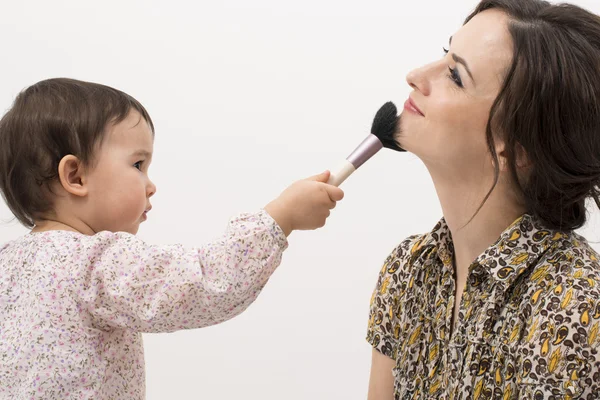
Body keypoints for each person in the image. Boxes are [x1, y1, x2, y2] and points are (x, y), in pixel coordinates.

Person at [0, 78, 344, 399]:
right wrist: (280, 218)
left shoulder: (7, 265)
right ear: (75, 176)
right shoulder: (97, 262)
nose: (150, 185)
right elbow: (205, 284)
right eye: (138, 165)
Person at [366, 1, 600, 398]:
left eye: (455, 76)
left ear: (520, 148)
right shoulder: (406, 273)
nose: (415, 75)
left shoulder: (578, 306)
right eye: (445, 53)